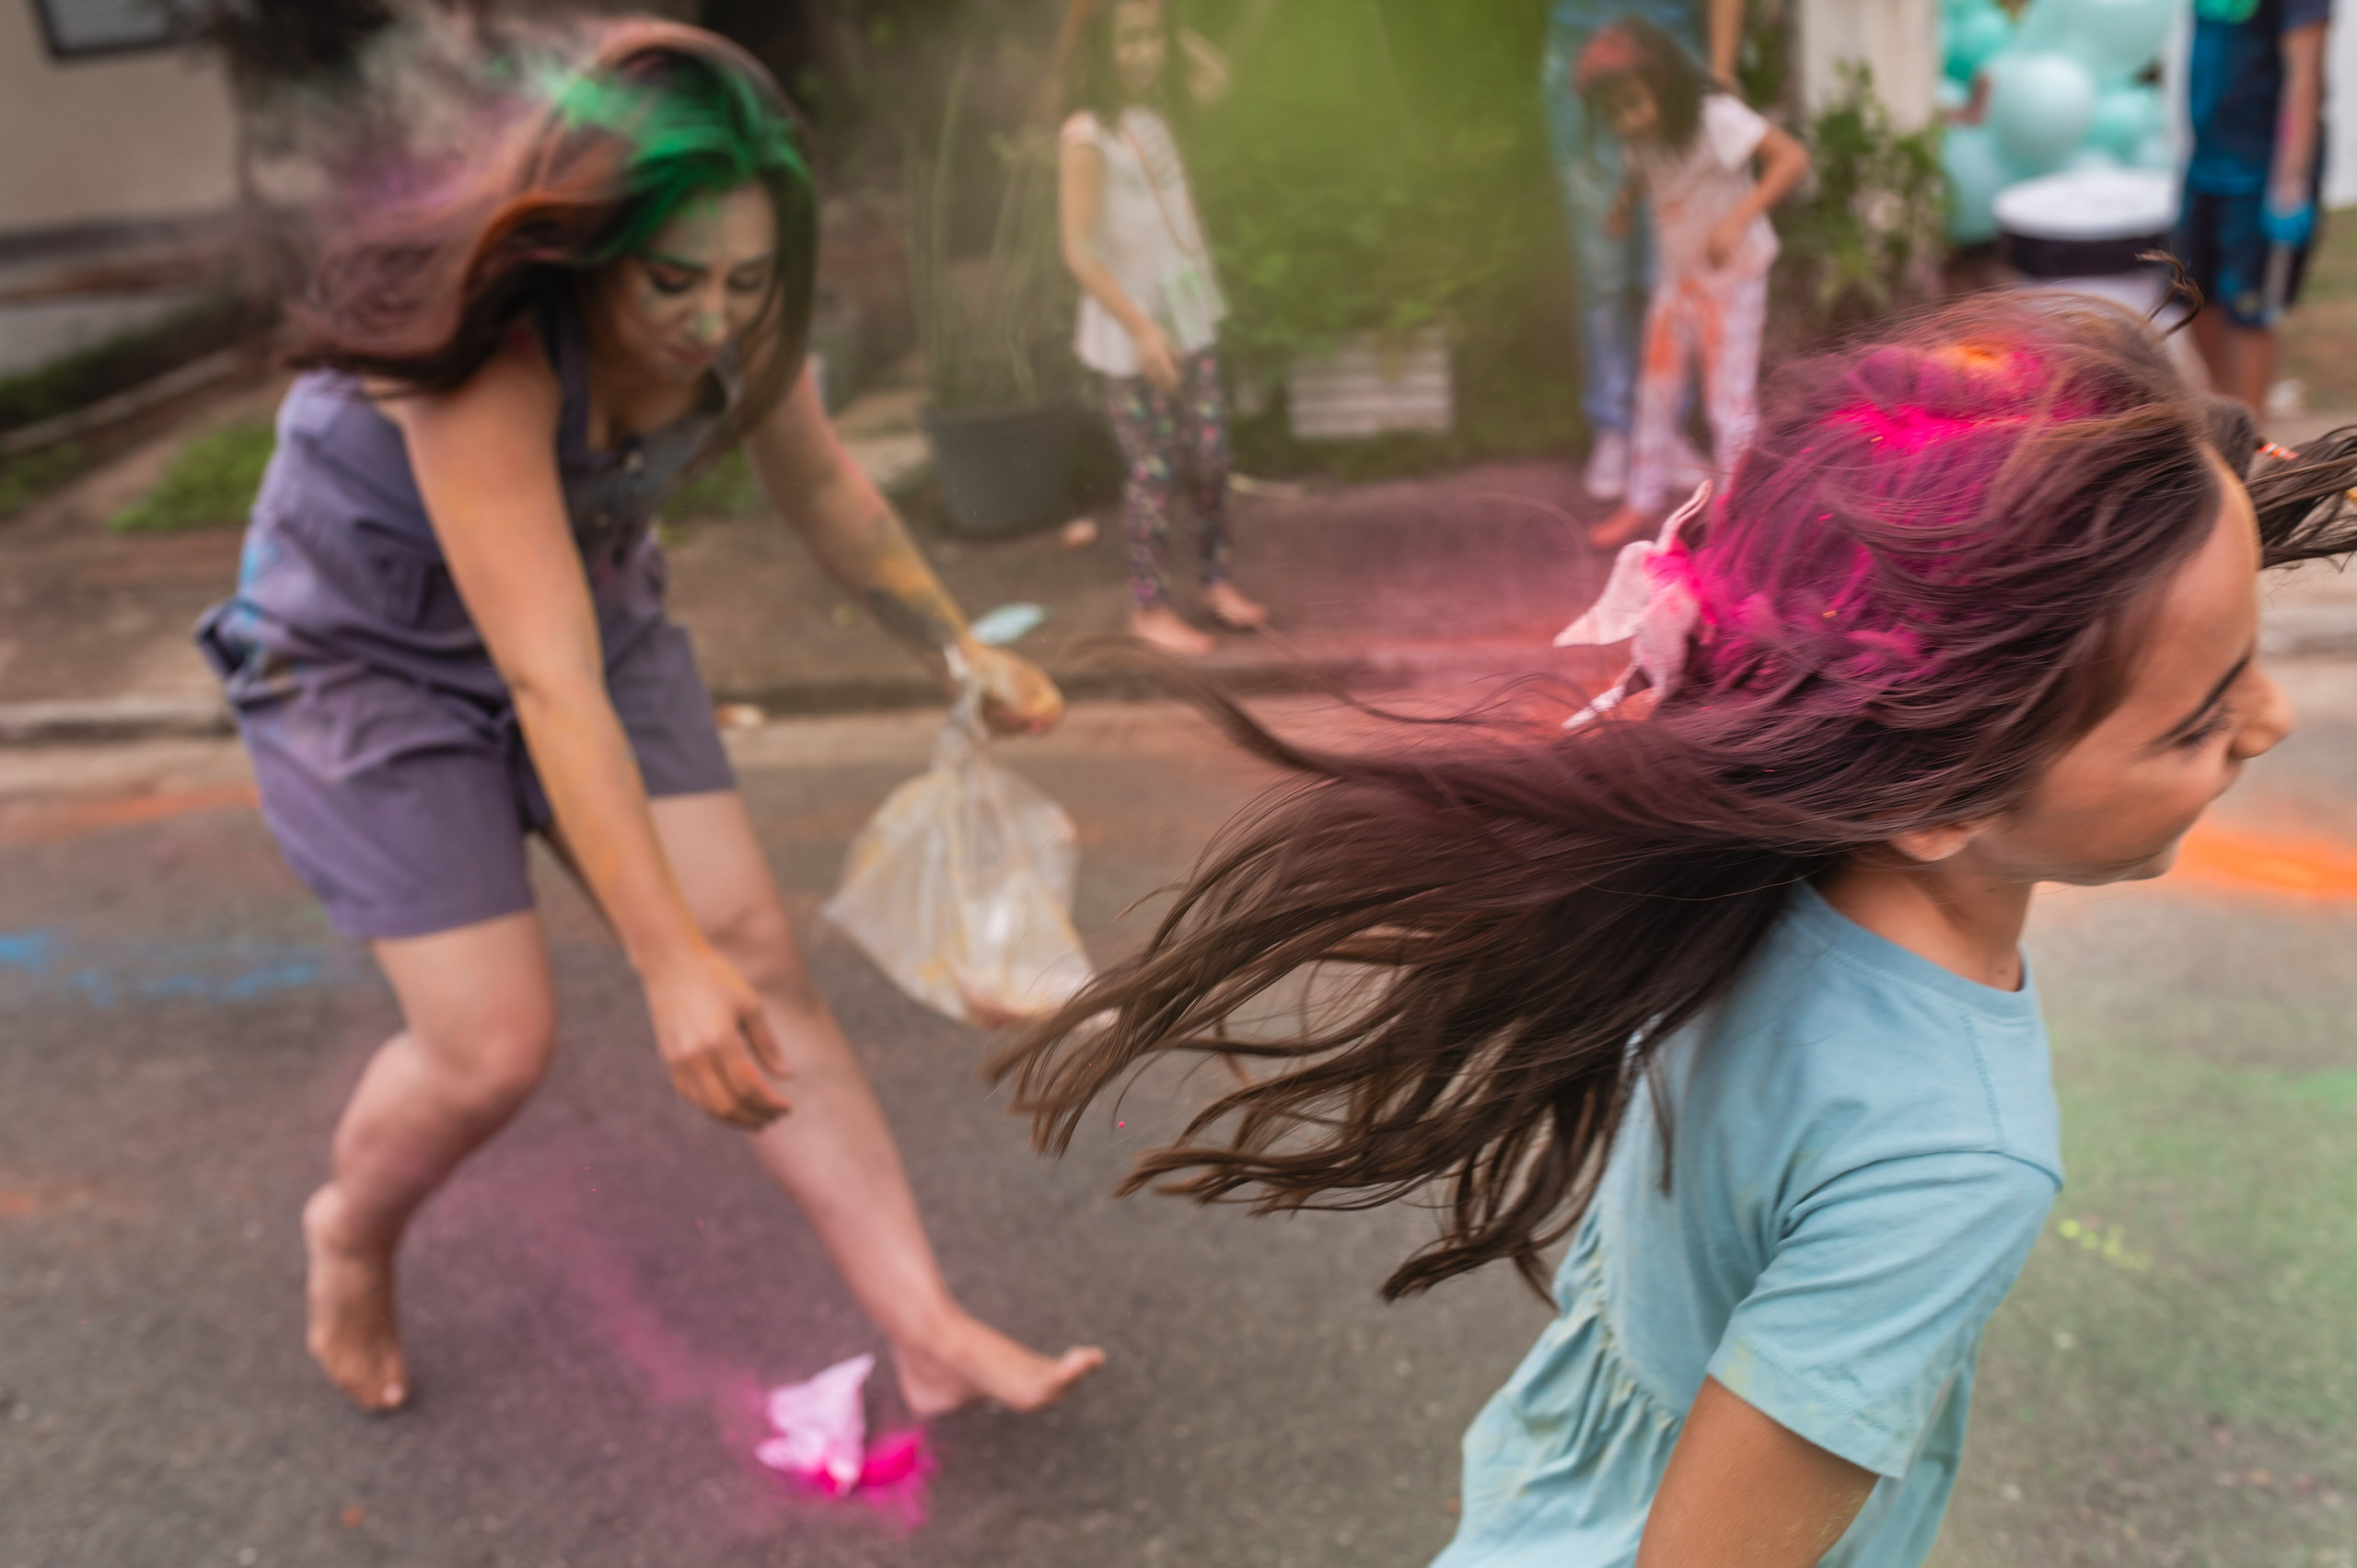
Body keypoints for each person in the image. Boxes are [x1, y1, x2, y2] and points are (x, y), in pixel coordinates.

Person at [995, 293, 2357, 1565]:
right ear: (1942, 791)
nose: (2268, 723)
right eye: (2200, 715)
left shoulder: (1744, 871)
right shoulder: (1960, 1154)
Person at [194, 20, 1102, 1417]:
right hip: (367, 658)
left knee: (760, 957)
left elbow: (829, 491)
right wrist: (663, 961)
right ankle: (348, 1231)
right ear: (587, 245)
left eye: (745, 280)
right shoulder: (486, 346)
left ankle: (926, 1327)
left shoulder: (741, 322)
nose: (711, 317)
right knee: (492, 1044)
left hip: (593, 614)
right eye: (674, 278)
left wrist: (955, 642)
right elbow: (541, 680)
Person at [1053, 0, 1269, 658]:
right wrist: (1142, 330)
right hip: (1133, 334)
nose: (1144, 52)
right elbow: (1078, 251)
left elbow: (1219, 74)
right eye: (1129, 38)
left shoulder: (1159, 110)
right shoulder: (1088, 134)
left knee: (1210, 457)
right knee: (1152, 471)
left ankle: (1215, 582)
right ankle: (1148, 610)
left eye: (1153, 37)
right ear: (1098, 45)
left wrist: (1170, 30)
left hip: (1188, 313)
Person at [1580, 17, 1807, 550]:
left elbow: (1790, 159)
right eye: (1613, 114)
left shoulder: (1714, 118)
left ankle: (1736, 522)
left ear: (1664, 86)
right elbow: (1641, 169)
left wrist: (1737, 218)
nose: (1627, 122)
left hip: (1733, 281)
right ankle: (1642, 500)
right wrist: (1622, 204)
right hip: (1676, 281)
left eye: (1634, 105)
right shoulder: (1643, 132)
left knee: (1728, 406)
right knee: (1655, 393)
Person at [1543, 0, 1743, 504]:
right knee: (1603, 268)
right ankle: (1613, 425)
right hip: (1583, 50)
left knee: (1675, 267)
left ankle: (1665, 424)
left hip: (1672, 48)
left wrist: (1720, 68)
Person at [2173, 0, 2331, 414]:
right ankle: (2225, 422)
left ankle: (2250, 442)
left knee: (2249, 313)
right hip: (2205, 164)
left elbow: (2304, 77)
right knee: (2193, 297)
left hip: (2261, 176)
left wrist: (2290, 184)